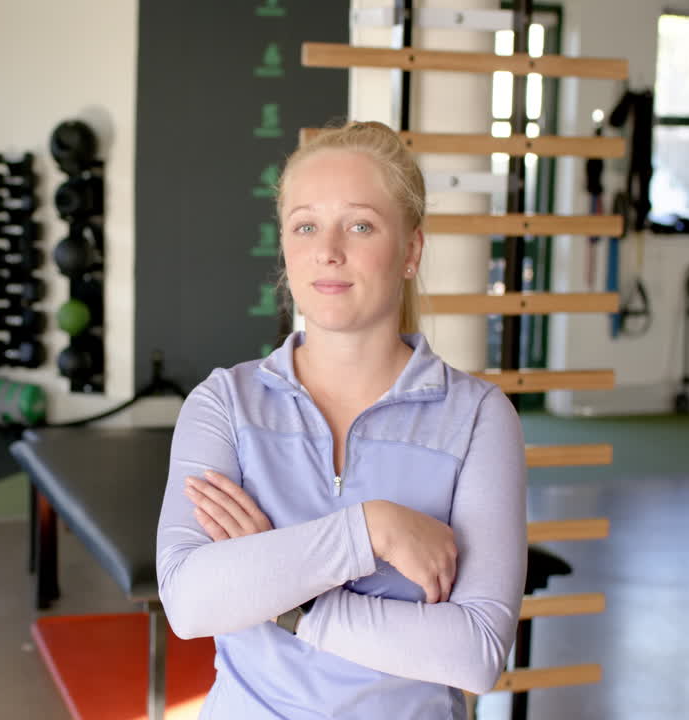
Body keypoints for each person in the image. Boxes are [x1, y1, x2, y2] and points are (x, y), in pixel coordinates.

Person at [155, 120, 528, 719]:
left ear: (410, 250)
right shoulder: (223, 403)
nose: (328, 250)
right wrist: (368, 531)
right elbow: (191, 602)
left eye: (359, 225)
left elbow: (476, 652)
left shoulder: (481, 418)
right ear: (285, 247)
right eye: (306, 225)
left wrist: (284, 597)